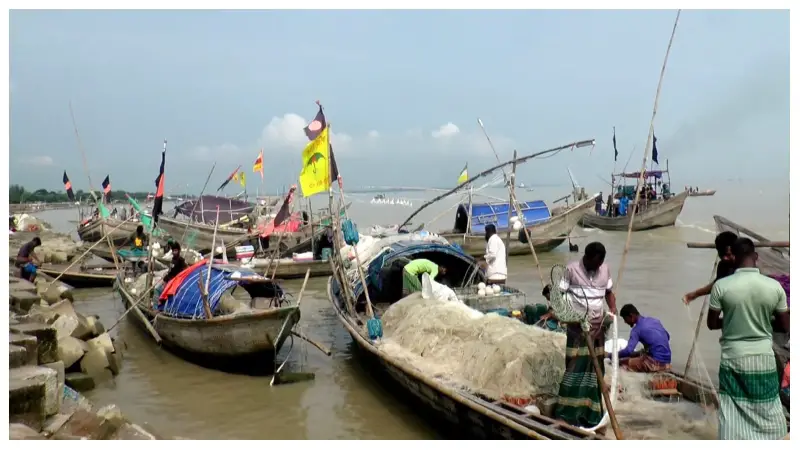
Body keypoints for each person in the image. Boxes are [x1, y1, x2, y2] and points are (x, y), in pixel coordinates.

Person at [707, 237, 789, 440]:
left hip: (733, 358)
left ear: (733, 257)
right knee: (768, 408)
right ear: (756, 257)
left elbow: (712, 323)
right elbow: (786, 326)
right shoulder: (774, 287)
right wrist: (764, 321)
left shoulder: (721, 286)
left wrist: (734, 320)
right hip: (763, 358)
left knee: (732, 410)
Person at [553, 242, 617, 428]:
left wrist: (612, 308)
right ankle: (566, 414)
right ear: (586, 258)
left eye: (599, 265)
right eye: (593, 264)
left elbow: (609, 293)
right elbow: (559, 296)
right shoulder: (572, 270)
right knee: (573, 370)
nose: (596, 268)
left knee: (597, 374)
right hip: (577, 328)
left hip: (597, 330)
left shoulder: (605, 270)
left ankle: (592, 414)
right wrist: (562, 314)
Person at [611, 304, 672, 373]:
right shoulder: (654, 321)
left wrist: (612, 355)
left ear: (631, 316)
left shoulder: (636, 330)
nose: (625, 322)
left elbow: (628, 351)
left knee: (622, 362)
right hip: (667, 362)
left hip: (655, 364)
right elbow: (667, 336)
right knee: (639, 353)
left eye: (625, 319)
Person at [682, 231, 738, 304]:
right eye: (721, 254)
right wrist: (694, 294)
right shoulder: (723, 265)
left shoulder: (746, 268)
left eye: (728, 255)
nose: (724, 258)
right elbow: (717, 284)